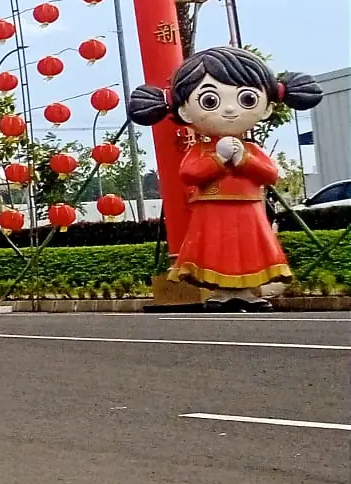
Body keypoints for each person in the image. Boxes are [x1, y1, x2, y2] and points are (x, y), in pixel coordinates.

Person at [129, 46, 322, 310]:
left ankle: (247, 294)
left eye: (246, 100)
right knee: (216, 251)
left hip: (249, 209)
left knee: (248, 250)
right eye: (210, 101)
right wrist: (218, 160)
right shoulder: (201, 149)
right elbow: (190, 174)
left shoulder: (251, 149)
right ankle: (219, 294)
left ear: (266, 108)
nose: (230, 110)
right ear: (185, 112)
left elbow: (269, 174)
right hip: (211, 209)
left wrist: (243, 159)